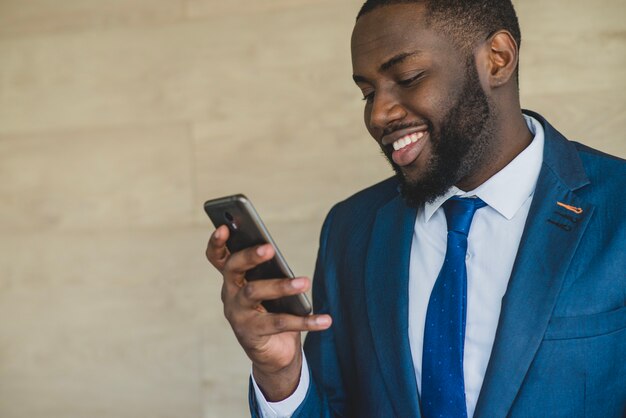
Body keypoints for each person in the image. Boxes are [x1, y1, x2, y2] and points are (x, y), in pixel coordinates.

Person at [206, 0, 626, 417]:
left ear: (497, 59)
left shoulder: (617, 205)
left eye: (407, 77)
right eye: (367, 93)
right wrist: (280, 372)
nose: (378, 114)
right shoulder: (351, 229)